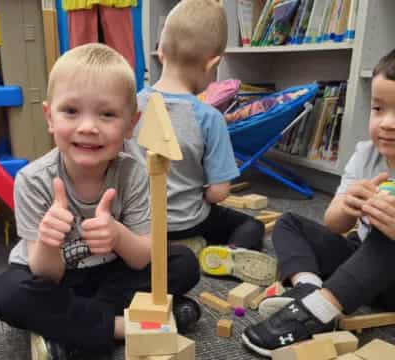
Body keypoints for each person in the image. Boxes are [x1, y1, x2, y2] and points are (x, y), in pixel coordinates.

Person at [0, 43, 201, 359]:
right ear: (49, 116)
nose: (88, 127)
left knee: (182, 262)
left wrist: (117, 234)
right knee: (6, 294)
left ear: (131, 124)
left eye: (107, 114)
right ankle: (122, 327)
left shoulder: (134, 173)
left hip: (110, 276)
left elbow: (142, 258)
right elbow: (45, 275)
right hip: (56, 281)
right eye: (71, 111)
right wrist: (48, 240)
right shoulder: (33, 180)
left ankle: (73, 332)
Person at [242, 48, 395, 357]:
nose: (387, 123)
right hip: (361, 263)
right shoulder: (366, 154)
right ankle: (309, 288)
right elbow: (333, 223)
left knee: (386, 237)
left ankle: (320, 310)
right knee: (290, 223)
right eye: (379, 108)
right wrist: (347, 205)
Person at [125, 0, 277, 286]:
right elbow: (220, 192)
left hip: (136, 225)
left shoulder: (129, 107)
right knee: (250, 223)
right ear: (213, 63)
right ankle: (226, 252)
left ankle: (179, 249)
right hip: (186, 221)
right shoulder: (208, 117)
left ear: (160, 51)